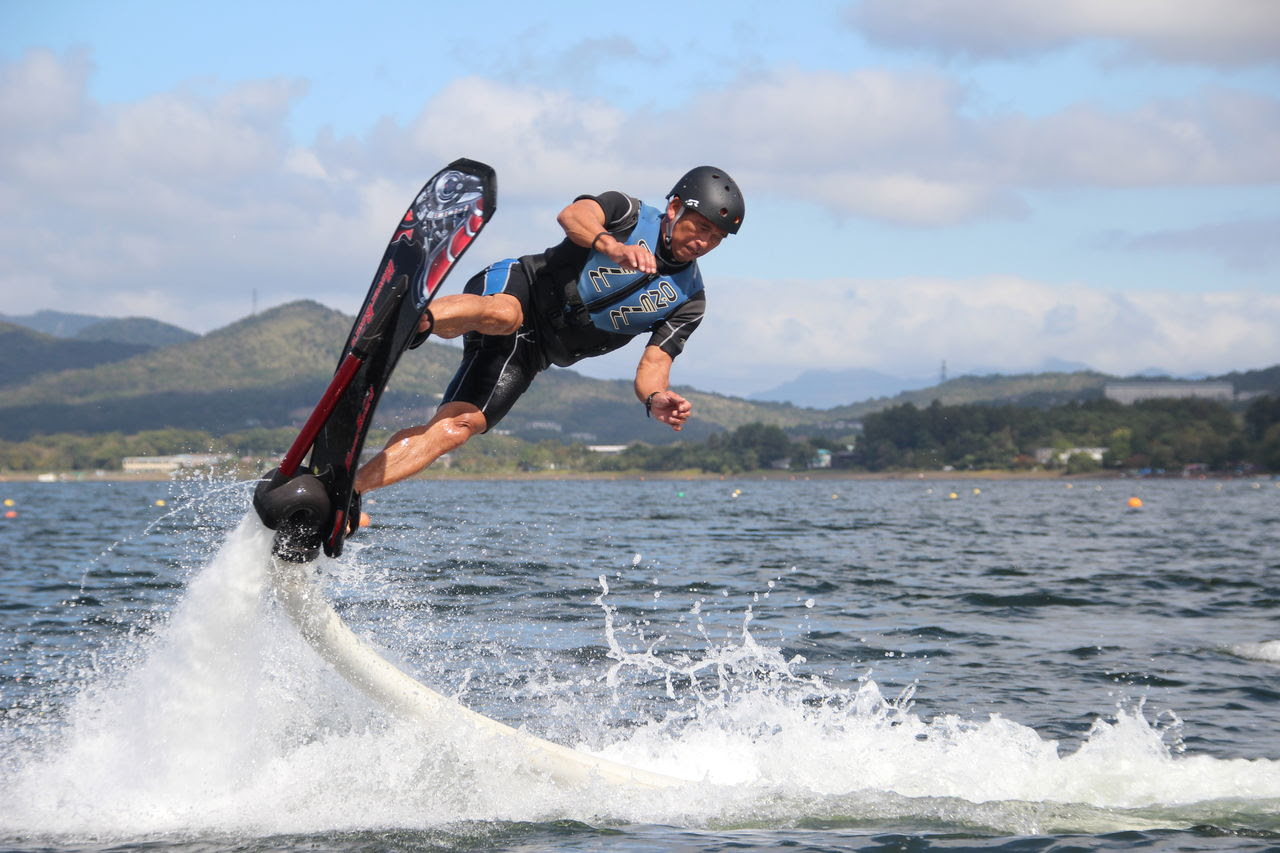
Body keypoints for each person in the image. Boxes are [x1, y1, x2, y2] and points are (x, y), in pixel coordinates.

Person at [350, 165, 744, 506]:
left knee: (458, 427)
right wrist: (611, 246)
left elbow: (654, 366)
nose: (704, 242)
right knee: (504, 314)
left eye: (716, 238)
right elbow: (572, 215)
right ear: (675, 208)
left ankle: (346, 491)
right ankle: (410, 322)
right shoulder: (627, 211)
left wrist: (657, 397)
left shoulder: (689, 300)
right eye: (702, 227)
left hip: (532, 352)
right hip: (520, 286)